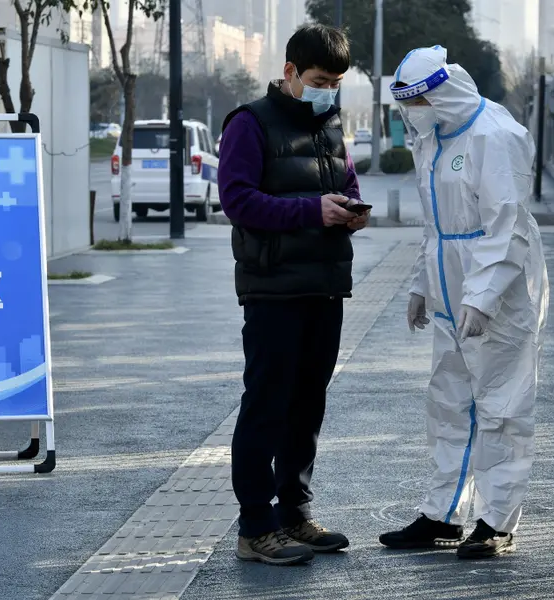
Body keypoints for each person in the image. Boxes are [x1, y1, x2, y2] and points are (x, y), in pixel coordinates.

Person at [378, 46, 549, 559]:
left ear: (440, 92)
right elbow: (436, 227)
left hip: (500, 288)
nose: (412, 112)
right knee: (448, 403)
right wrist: (421, 286)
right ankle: (442, 514)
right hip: (450, 286)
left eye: (418, 101)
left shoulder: (495, 134)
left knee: (502, 404)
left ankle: (496, 520)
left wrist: (483, 296)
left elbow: (507, 225)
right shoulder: (431, 138)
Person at [217, 24, 369, 566]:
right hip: (273, 289)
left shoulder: (330, 124)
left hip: (325, 286)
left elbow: (345, 185)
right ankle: (255, 525)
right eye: (319, 79)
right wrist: (312, 210)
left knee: (307, 404)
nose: (329, 89)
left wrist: (350, 211)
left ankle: (295, 513)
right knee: (266, 404)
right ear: (289, 72)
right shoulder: (249, 124)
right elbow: (237, 200)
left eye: (336, 82)